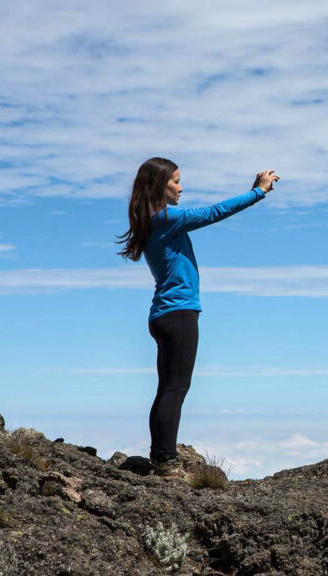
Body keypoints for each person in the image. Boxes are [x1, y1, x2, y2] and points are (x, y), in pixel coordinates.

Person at [115, 157, 280, 479]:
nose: (180, 187)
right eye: (175, 181)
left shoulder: (152, 221)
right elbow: (213, 212)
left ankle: (161, 455)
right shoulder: (166, 218)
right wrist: (258, 193)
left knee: (168, 388)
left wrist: (253, 191)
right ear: (159, 185)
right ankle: (165, 461)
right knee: (176, 389)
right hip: (178, 313)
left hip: (164, 314)